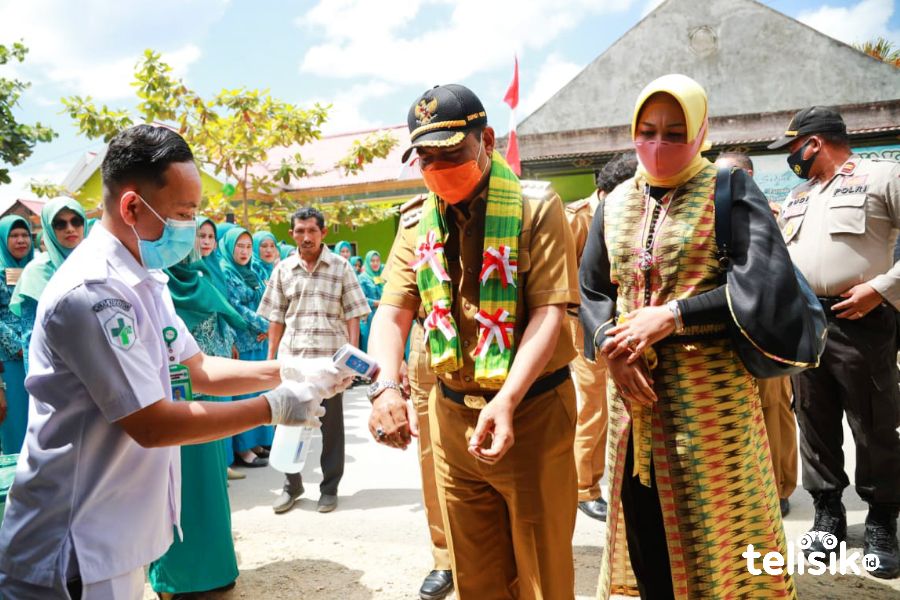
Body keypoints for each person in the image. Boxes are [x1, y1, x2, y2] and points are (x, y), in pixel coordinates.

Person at [0, 124, 347, 599]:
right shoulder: (95, 292)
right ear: (131, 207)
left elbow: (198, 368)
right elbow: (153, 424)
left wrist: (290, 369)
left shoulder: (146, 280)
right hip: (72, 544)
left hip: (113, 536)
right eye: (184, 214)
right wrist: (273, 406)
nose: (191, 226)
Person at [579, 74, 815, 598]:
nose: (658, 145)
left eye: (674, 132)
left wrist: (673, 315)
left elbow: (764, 287)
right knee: (646, 529)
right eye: (647, 131)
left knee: (721, 536)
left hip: (712, 405)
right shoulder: (614, 202)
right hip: (634, 409)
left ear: (701, 130)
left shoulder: (728, 191)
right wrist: (610, 350)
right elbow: (592, 291)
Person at [367, 84, 579, 599]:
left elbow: (550, 312)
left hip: (530, 413)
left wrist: (506, 400)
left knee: (541, 573)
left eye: (451, 153)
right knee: (474, 575)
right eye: (426, 158)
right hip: (453, 417)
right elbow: (392, 314)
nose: (438, 168)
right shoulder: (417, 222)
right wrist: (384, 389)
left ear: (486, 139)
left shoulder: (537, 207)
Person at [769, 106, 900, 578]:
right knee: (814, 421)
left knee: (874, 423)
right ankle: (829, 517)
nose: (792, 157)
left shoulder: (881, 177)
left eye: (793, 148)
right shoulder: (799, 196)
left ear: (815, 142)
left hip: (863, 316)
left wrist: (880, 289)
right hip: (808, 324)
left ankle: (883, 518)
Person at [148, 217, 249, 599]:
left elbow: (223, 321)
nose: (188, 247)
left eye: (192, 239)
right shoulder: (151, 287)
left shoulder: (203, 275)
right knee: (172, 486)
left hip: (208, 391)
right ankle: (175, 577)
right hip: (165, 401)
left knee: (209, 486)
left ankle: (216, 567)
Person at [258, 207, 370, 514]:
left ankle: (329, 488)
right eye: (299, 231)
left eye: (312, 231)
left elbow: (353, 314)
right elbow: (276, 318)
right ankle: (291, 486)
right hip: (293, 363)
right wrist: (270, 361)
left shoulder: (341, 266)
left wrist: (352, 360)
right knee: (289, 423)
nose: (306, 237)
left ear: (323, 232)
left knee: (331, 427)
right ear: (292, 233)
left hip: (330, 364)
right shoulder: (282, 269)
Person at [714, 151, 798, 518]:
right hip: (724, 330)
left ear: (748, 174)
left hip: (768, 330)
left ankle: (779, 488)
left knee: (774, 409)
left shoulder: (774, 215)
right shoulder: (713, 215)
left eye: (729, 174)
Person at [566, 152, 637, 523]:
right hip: (583, 324)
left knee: (613, 407)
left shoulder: (622, 212)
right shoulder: (577, 218)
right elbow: (566, 280)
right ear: (608, 191)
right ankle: (583, 488)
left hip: (617, 324)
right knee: (593, 408)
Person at [391, 195, 454, 600]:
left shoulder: (512, 204)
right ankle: (445, 557)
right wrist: (391, 367)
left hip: (494, 344)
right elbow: (396, 302)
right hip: (428, 342)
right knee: (433, 458)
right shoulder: (414, 219)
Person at [11, 196, 86, 373]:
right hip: (59, 368)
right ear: (49, 229)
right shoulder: (37, 272)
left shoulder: (97, 263)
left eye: (76, 221)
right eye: (60, 224)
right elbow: (32, 336)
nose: (70, 229)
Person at [220, 227, 274, 467]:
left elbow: (265, 299)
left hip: (261, 339)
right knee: (244, 395)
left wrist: (269, 326)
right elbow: (234, 307)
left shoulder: (254, 270)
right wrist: (265, 325)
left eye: (247, 246)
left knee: (259, 393)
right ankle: (242, 448)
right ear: (230, 247)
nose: (244, 252)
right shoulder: (226, 272)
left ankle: (255, 442)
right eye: (239, 246)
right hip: (241, 340)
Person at [0, 215, 34, 455]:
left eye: (25, 235)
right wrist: (17, 346)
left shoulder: (38, 269)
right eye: (14, 236)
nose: (21, 240)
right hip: (9, 363)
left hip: (39, 355)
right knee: (17, 423)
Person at [358, 250, 384, 352]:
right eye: (372, 261)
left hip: (381, 314)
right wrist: (376, 303)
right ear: (368, 262)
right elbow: (361, 298)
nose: (375, 263)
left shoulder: (381, 277)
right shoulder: (362, 278)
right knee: (369, 345)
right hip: (368, 316)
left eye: (377, 260)